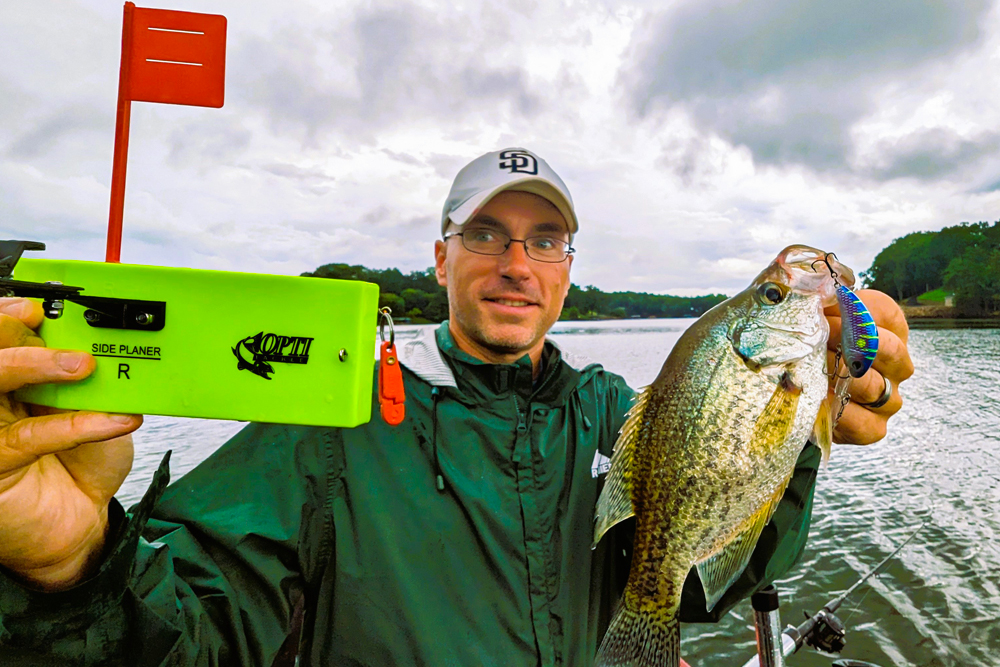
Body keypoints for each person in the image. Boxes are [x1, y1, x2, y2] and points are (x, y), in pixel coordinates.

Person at [0, 148, 913, 666]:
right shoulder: (329, 424)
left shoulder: (612, 412)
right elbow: (184, 645)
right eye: (486, 233)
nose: (516, 263)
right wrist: (72, 565)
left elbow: (714, 565)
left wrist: (809, 425)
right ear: (440, 259)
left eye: (544, 239)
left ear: (567, 272)